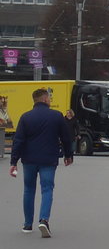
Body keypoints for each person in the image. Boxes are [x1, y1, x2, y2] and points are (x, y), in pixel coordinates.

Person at [8, 88, 74, 237]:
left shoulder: (25, 117)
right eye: (49, 98)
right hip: (48, 160)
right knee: (47, 189)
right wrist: (68, 155)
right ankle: (44, 220)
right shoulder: (57, 116)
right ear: (44, 99)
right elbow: (66, 138)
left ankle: (27, 224)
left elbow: (18, 141)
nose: (50, 100)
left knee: (28, 190)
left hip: (29, 160)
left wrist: (13, 162)